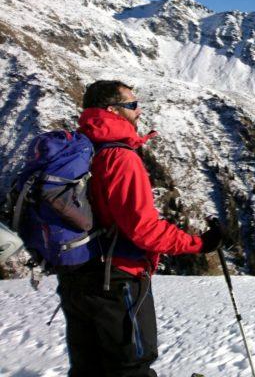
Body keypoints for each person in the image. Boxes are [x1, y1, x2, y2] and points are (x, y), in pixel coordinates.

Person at [57, 80, 225, 376]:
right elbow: (143, 229)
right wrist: (200, 244)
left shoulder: (79, 149)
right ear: (112, 110)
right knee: (131, 367)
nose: (139, 110)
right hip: (116, 281)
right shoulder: (120, 157)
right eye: (132, 104)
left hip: (76, 277)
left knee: (88, 369)